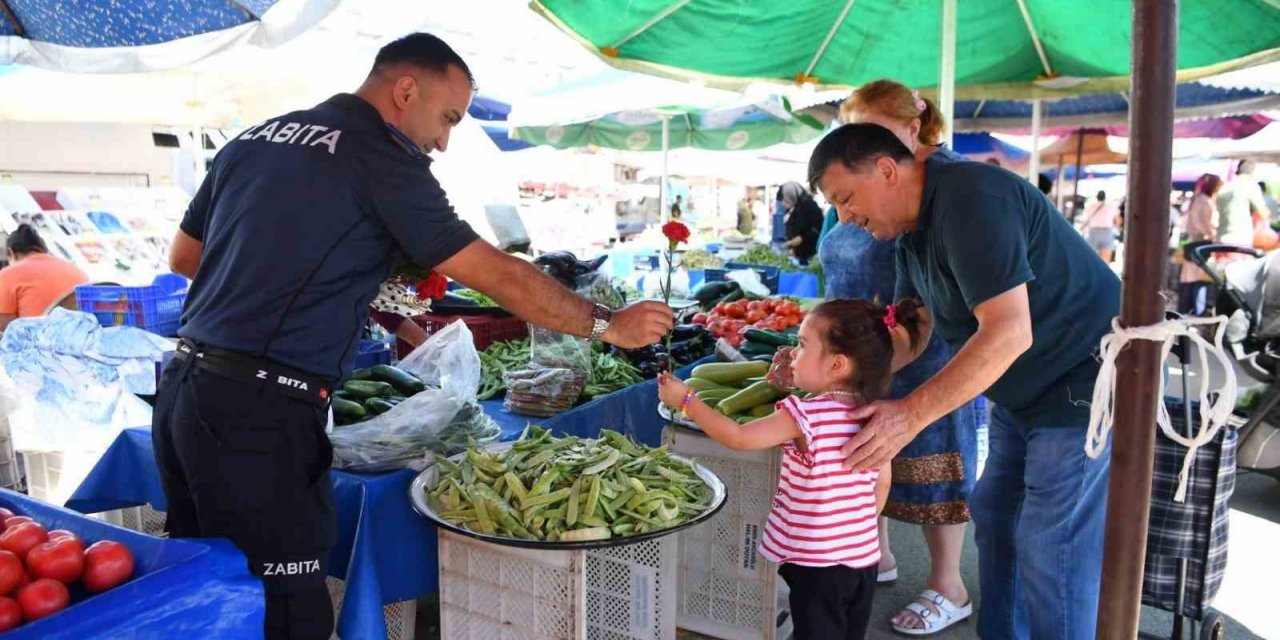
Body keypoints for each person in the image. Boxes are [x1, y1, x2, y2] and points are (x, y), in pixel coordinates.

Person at [156, 33, 673, 640]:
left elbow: (185, 257)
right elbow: (496, 274)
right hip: (261, 416)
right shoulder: (382, 157)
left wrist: (322, 276)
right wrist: (608, 324)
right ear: (406, 90)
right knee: (289, 611)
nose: (445, 139)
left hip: (184, 395)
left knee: (207, 594)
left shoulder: (255, 139)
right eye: (448, 117)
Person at [809, 123, 1119, 640]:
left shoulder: (972, 198)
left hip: (1084, 379)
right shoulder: (910, 234)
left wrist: (909, 415)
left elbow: (1008, 331)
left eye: (845, 198)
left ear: (886, 170)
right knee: (995, 515)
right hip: (1020, 394)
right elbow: (912, 329)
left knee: (1050, 542)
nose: (844, 217)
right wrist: (831, 375)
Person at [818, 79, 978, 636]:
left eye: (876, 136)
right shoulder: (847, 186)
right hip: (860, 346)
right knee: (862, 455)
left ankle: (948, 584)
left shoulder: (948, 186)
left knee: (935, 459)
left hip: (927, 347)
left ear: (914, 129)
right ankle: (876, 554)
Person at [659, 298, 903, 640]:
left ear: (836, 365)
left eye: (802, 345)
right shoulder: (876, 418)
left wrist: (686, 400)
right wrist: (849, 531)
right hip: (863, 558)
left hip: (815, 565)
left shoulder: (804, 416)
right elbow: (883, 484)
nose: (793, 354)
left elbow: (739, 437)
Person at [0, 224, 89, 332]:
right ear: (43, 249)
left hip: (38, 343)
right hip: (78, 339)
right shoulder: (76, 270)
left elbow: (4, 327)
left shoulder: (8, 274)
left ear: (11, 253)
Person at [1179, 174, 1222, 315]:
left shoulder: (1196, 199)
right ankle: (1198, 315)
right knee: (1200, 282)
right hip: (1201, 245)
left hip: (1192, 243)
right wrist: (1212, 233)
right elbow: (1203, 224)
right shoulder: (1205, 201)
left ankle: (1189, 313)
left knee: (1191, 283)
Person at [1216, 160, 1269, 247]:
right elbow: (1263, 214)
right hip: (1240, 240)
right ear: (1253, 172)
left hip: (1220, 238)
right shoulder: (1250, 186)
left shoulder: (1225, 187)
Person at [778, 182, 824, 265]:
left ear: (793, 196)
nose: (783, 204)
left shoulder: (810, 206)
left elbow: (817, 228)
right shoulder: (795, 206)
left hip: (809, 255)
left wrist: (802, 238)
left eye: (786, 200)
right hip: (796, 254)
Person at [1080, 190, 1119, 262]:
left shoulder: (1090, 206)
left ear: (1097, 197)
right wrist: (1116, 230)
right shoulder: (1111, 206)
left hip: (1093, 232)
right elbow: (1117, 220)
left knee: (1091, 257)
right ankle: (1104, 272)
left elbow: (1084, 220)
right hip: (1107, 232)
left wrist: (1082, 229)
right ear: (1105, 197)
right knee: (1105, 259)